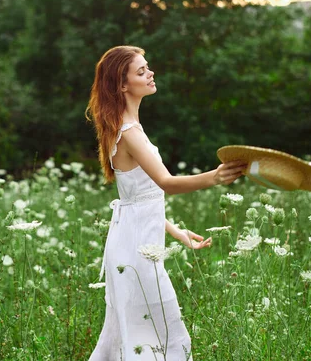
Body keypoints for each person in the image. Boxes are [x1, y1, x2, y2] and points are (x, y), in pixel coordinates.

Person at [85, 45, 246, 360]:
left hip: (135, 241)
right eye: (141, 71)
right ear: (122, 84)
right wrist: (216, 176)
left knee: (144, 334)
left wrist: (176, 232)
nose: (150, 73)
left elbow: (138, 199)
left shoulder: (126, 127)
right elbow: (166, 183)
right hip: (134, 250)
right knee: (155, 334)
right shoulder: (128, 132)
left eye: (148, 67)